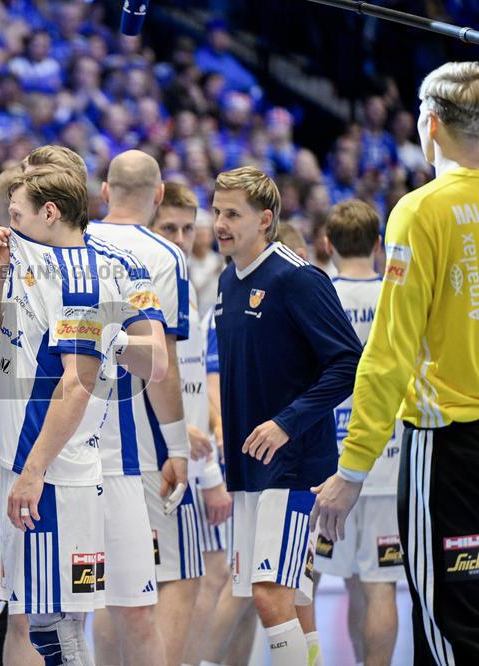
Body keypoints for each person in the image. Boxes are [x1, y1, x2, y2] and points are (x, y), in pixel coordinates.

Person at [312, 61, 479, 664]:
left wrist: (352, 469)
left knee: (448, 626)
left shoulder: (421, 210)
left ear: (428, 125)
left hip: (450, 446)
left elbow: (389, 354)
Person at [0, 165, 168, 666]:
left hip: (80, 458)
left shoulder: (106, 267)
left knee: (69, 622)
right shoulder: (18, 258)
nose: (10, 224)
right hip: (31, 456)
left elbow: (151, 364)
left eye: (16, 213)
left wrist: (109, 337)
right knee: (40, 618)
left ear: (50, 210)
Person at [211, 166, 361, 666]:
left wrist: (286, 422)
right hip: (250, 467)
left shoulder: (297, 278)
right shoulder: (229, 281)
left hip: (294, 464)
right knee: (292, 598)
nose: (219, 223)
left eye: (233, 214)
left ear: (266, 219)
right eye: (216, 211)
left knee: (270, 595)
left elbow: (347, 362)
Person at [88, 150, 198, 666]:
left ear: (105, 192)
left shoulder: (73, 240)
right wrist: (177, 446)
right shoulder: (164, 254)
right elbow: (162, 364)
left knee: (103, 582)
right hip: (138, 439)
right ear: (158, 196)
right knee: (158, 581)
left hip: (72, 431)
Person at [310, 199, 402, 666]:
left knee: (335, 581)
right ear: (379, 245)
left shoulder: (320, 296)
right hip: (388, 458)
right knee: (381, 583)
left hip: (331, 464)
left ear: (326, 245)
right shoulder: (395, 294)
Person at [149, 182, 234, 666]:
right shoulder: (154, 286)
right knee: (180, 580)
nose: (180, 238)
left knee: (178, 581)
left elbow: (198, 388)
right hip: (164, 460)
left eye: (187, 228)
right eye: (169, 228)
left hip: (182, 457)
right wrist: (211, 477)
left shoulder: (187, 293)